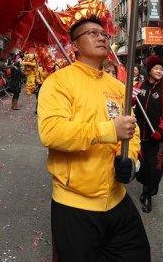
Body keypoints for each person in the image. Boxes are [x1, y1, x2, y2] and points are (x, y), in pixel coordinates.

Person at [38, 16, 149, 261]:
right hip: (75, 205)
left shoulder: (118, 86)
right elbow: (52, 132)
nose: (101, 37)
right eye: (92, 33)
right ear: (75, 46)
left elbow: (133, 130)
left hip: (117, 199)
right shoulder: (58, 82)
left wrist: (130, 160)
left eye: (104, 34)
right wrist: (108, 130)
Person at [134, 55, 163, 213]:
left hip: (155, 138)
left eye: (161, 69)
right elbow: (130, 101)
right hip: (139, 135)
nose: (160, 71)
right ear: (149, 70)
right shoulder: (140, 85)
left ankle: (148, 194)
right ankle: (143, 186)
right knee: (142, 165)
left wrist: (160, 130)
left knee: (154, 168)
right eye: (156, 68)